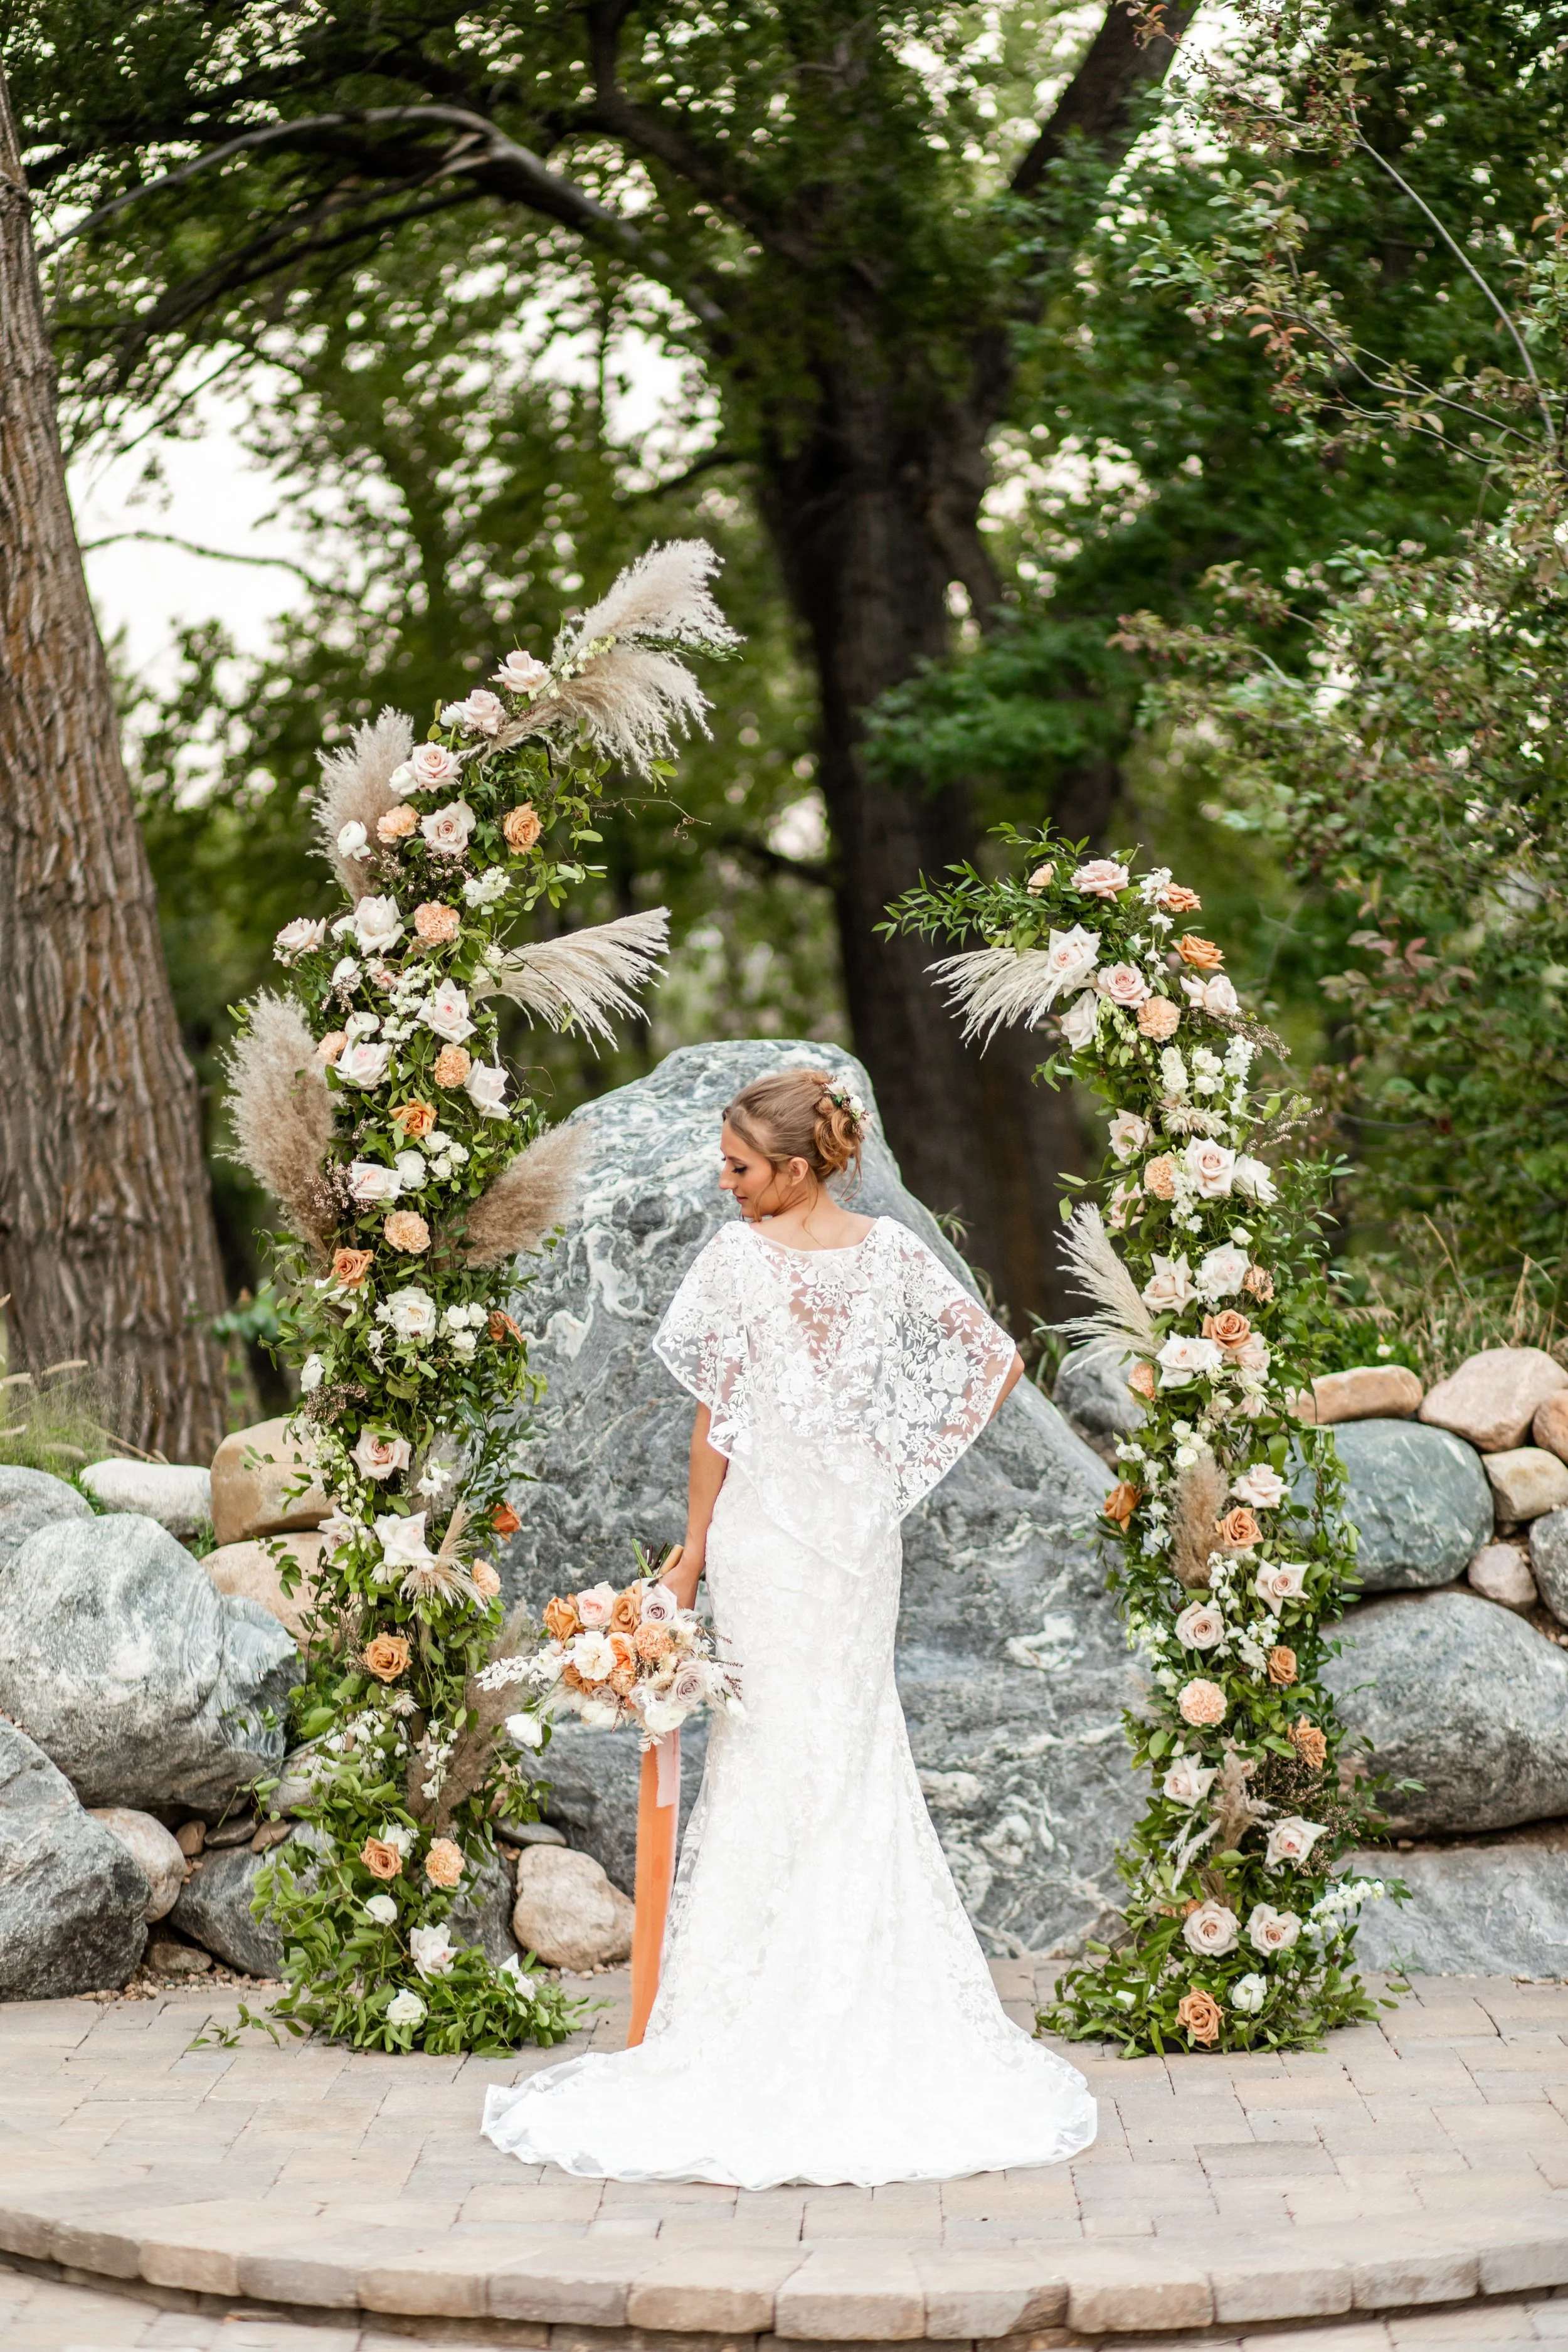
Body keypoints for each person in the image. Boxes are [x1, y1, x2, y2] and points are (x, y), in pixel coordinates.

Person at [482, 1066, 1096, 2187]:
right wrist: (720, 1539)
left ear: (798, 1168)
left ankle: (806, 2001)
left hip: (827, 1541)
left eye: (740, 1167)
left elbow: (985, 1364)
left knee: (845, 1743)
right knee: (780, 1748)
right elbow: (731, 1415)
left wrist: (875, 1468)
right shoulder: (795, 1256)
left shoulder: (845, 1255)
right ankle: (786, 1993)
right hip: (793, 1541)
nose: (726, 1183)